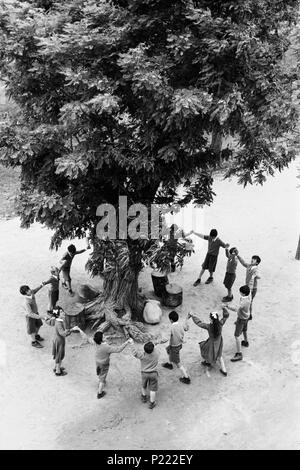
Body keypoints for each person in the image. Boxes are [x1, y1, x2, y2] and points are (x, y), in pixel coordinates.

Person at [71, 326, 131, 398]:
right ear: (101, 339)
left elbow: (86, 338)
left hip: (97, 362)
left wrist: (79, 329)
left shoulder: (94, 342)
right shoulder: (107, 347)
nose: (104, 336)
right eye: (103, 336)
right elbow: (118, 349)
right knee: (103, 376)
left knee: (100, 372)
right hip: (104, 364)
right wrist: (126, 342)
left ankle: (101, 377)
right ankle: (100, 392)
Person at [187, 309, 229, 376]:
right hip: (219, 342)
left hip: (211, 343)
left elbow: (199, 323)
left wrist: (193, 316)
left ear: (211, 320)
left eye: (209, 318)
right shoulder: (220, 324)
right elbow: (226, 316)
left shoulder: (209, 327)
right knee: (219, 355)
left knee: (206, 351)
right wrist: (224, 308)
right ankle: (224, 370)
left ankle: (208, 362)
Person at [223, 285, 251, 361]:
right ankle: (245, 341)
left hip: (241, 319)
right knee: (244, 330)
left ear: (243, 293)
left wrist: (227, 306)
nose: (239, 292)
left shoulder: (243, 301)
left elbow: (236, 309)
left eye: (240, 292)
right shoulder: (248, 298)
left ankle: (239, 353)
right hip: (246, 317)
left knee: (237, 336)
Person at [162, 310, 191, 384]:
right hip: (178, 345)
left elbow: (166, 338)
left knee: (178, 363)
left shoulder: (171, 327)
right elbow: (186, 328)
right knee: (168, 350)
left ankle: (186, 377)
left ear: (171, 320)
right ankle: (169, 363)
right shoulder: (181, 325)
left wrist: (159, 341)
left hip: (174, 347)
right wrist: (187, 319)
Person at [45, 306, 73, 376]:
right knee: (59, 355)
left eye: (62, 311)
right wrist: (70, 330)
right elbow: (62, 333)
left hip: (56, 339)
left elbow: (49, 322)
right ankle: (58, 371)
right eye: (61, 312)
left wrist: (46, 319)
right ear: (57, 315)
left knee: (58, 354)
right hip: (59, 341)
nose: (63, 312)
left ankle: (56, 367)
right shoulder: (59, 323)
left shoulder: (56, 320)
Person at [131, 340, 159, 409]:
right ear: (153, 349)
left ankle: (144, 397)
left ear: (144, 350)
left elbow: (134, 353)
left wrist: (132, 344)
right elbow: (154, 346)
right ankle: (152, 403)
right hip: (153, 374)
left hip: (144, 374)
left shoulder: (142, 355)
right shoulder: (156, 353)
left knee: (143, 386)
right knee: (153, 389)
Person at [20, 283, 46, 348]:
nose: (29, 291)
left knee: (39, 324)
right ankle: (33, 342)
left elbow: (35, 290)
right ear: (25, 293)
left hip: (36, 313)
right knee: (32, 330)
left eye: (28, 289)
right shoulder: (26, 302)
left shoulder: (31, 293)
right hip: (30, 317)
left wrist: (42, 285)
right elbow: (30, 314)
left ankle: (36, 336)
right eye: (27, 291)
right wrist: (42, 317)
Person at [237, 254, 261, 319]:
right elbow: (243, 262)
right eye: (252, 258)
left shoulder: (255, 269)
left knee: (249, 302)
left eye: (254, 259)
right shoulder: (249, 266)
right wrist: (238, 256)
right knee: (248, 302)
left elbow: (258, 276)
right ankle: (248, 315)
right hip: (248, 287)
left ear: (257, 262)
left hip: (252, 288)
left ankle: (248, 315)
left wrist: (255, 276)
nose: (252, 260)